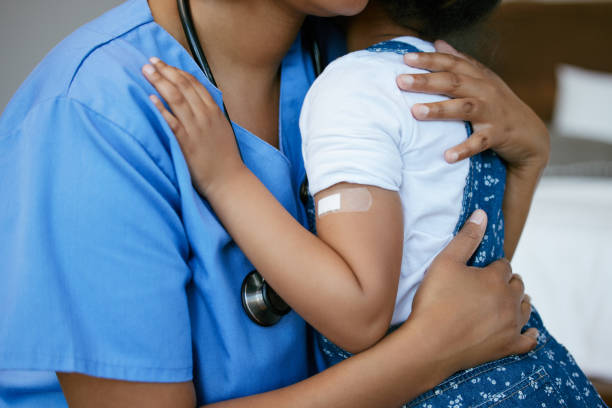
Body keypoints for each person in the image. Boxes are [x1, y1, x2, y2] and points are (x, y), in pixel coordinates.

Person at [0, 0, 553, 406]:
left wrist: (527, 157)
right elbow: (447, 332)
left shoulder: (362, 65)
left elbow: (459, 293)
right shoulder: (92, 117)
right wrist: (426, 353)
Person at [141, 1, 609, 407]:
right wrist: (533, 155)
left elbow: (359, 313)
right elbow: (481, 255)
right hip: (550, 380)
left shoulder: (355, 86)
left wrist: (227, 180)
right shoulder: (461, 83)